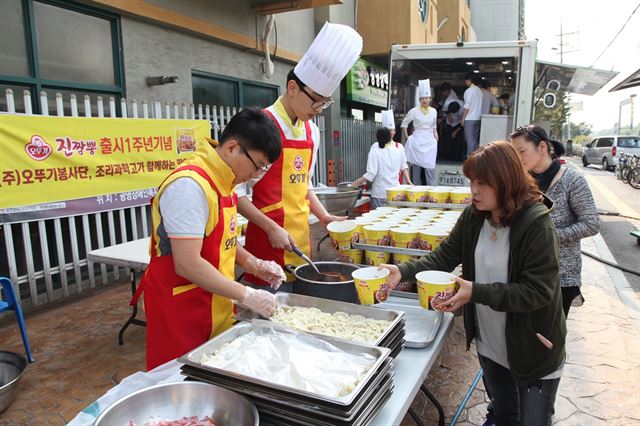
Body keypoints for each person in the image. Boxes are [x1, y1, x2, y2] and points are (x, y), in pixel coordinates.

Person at [381, 141, 567, 425]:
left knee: (534, 420)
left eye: (483, 183)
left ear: (506, 181)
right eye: (472, 182)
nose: (474, 191)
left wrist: (474, 291)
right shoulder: (474, 216)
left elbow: (538, 292)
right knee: (505, 412)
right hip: (491, 340)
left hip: (532, 345)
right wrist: (401, 272)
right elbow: (443, 257)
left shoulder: (535, 223)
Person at [133, 108, 287, 371]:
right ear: (231, 148)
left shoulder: (225, 181)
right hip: (182, 309)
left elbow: (220, 239)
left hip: (214, 302)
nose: (255, 176)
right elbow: (188, 263)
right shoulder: (189, 186)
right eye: (256, 166)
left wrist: (253, 263)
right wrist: (247, 294)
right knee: (182, 384)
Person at [238, 22, 363, 287]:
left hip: (299, 240)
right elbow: (234, 194)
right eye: (316, 100)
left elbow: (303, 184)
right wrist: (270, 227)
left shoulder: (312, 132)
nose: (319, 108)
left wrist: (324, 217)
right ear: (292, 88)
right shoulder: (262, 125)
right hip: (266, 240)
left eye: (325, 102)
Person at [511, 125, 599, 317]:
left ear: (542, 147)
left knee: (549, 339)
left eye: (522, 151)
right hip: (524, 275)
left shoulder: (572, 180)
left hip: (561, 276)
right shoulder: (521, 181)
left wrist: (549, 237)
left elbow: (591, 223)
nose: (518, 158)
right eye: (514, 153)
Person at [351, 110, 412, 208]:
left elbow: (403, 166)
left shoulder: (398, 147)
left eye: (391, 130)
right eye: (387, 130)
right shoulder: (375, 147)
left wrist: (354, 184)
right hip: (387, 192)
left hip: (389, 192)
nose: (389, 132)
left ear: (395, 131)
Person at [401, 79, 438, 185]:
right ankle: (416, 190)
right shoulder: (414, 111)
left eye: (426, 98)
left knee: (430, 168)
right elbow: (404, 124)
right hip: (417, 140)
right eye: (422, 98)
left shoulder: (434, 111)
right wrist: (408, 138)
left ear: (430, 99)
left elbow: (434, 127)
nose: (424, 100)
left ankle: (431, 191)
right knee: (416, 168)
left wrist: (436, 139)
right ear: (419, 99)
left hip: (430, 141)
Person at [461, 72, 483, 157]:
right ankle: (475, 157)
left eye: (466, 80)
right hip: (477, 118)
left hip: (469, 118)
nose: (465, 82)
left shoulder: (469, 91)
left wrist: (463, 119)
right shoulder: (479, 91)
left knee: (469, 139)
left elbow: (467, 106)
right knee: (474, 139)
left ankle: (470, 158)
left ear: (469, 80)